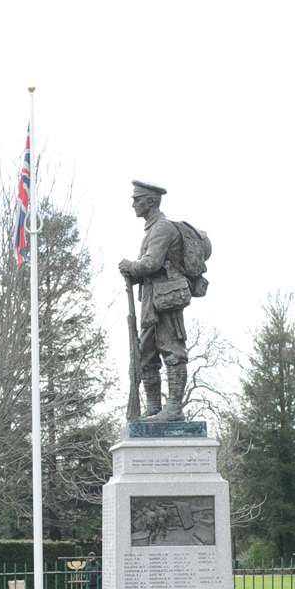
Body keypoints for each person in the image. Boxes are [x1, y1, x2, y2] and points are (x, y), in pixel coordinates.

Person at [118, 180, 190, 421]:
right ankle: (153, 408)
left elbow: (151, 264)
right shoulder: (152, 229)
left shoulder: (162, 228)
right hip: (151, 301)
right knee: (145, 354)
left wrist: (130, 266)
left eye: (137, 199)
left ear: (151, 201)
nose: (133, 204)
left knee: (172, 351)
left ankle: (174, 409)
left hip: (166, 301)